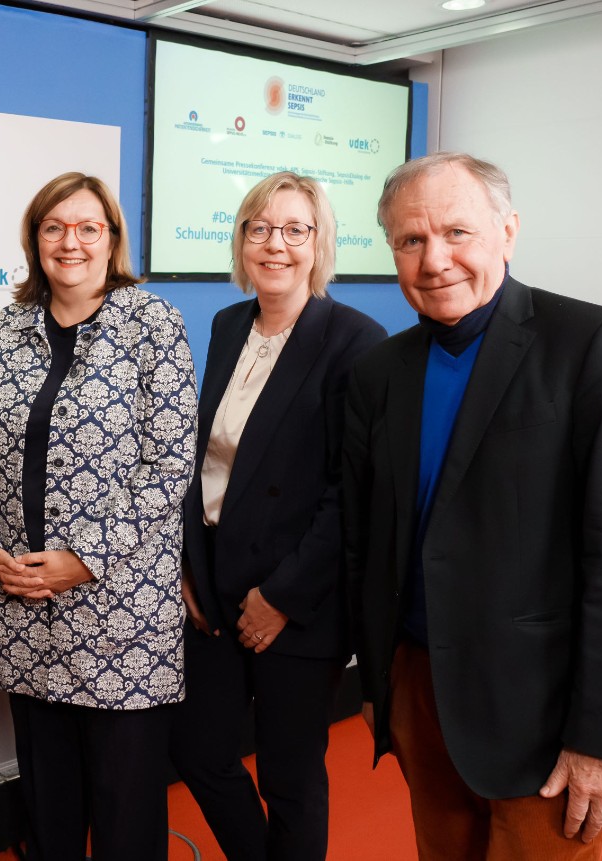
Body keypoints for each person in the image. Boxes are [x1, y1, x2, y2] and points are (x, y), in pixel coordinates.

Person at [343, 152, 602, 859]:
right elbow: (372, 539)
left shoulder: (592, 345)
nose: (435, 260)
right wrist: (382, 684)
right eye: (411, 240)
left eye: (457, 232)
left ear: (508, 231)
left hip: (540, 711)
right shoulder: (380, 372)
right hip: (420, 689)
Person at [0, 172, 197, 860]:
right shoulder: (1, 331)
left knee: (126, 813)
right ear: (34, 240)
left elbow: (167, 468)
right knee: (49, 806)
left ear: (111, 239)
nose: (71, 241)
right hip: (21, 605)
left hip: (120, 614)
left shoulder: (153, 323)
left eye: (87, 227)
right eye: (54, 227)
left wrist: (83, 559)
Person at [171, 172, 385, 860]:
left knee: (290, 778)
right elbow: (210, 462)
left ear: (319, 243)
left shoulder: (354, 339)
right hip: (216, 584)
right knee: (200, 753)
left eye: (296, 229)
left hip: (296, 600)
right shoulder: (228, 324)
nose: (275, 244)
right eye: (259, 228)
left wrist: (280, 599)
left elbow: (346, 494)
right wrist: (191, 575)